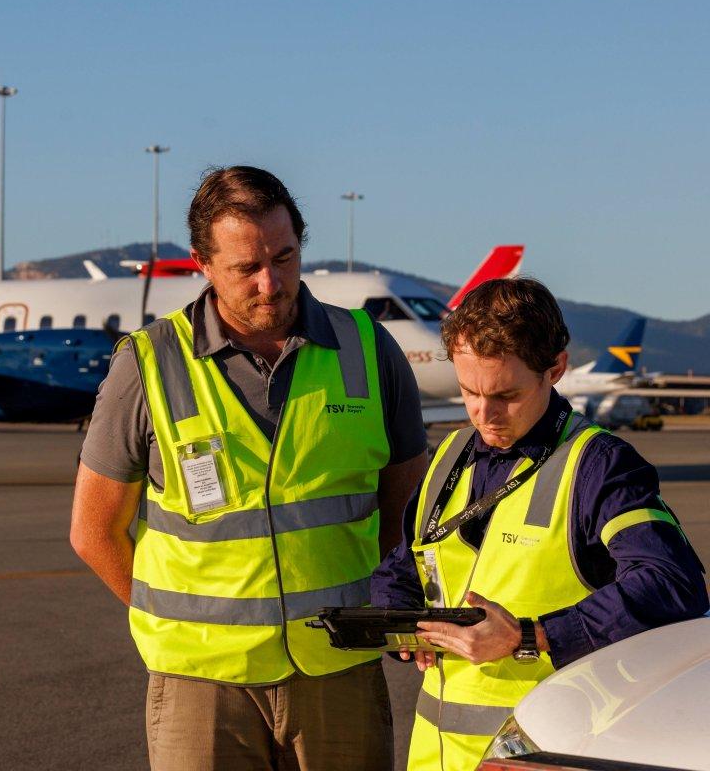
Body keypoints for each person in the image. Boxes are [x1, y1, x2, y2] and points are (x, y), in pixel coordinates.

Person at [70, 166, 429, 771]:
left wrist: (388, 610)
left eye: (285, 258)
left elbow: (409, 510)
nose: (271, 283)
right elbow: (94, 531)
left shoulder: (369, 348)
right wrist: (172, 621)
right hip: (200, 686)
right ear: (202, 265)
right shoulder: (148, 363)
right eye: (246, 268)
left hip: (337, 671)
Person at [371, 277, 708, 771]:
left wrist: (529, 636)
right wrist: (399, 621)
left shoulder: (600, 465)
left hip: (541, 753)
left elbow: (674, 584)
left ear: (556, 369)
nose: (485, 414)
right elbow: (406, 565)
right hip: (435, 755)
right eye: (469, 391)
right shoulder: (448, 456)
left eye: (506, 394)